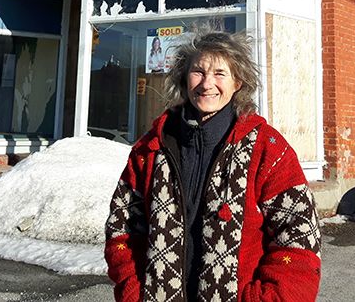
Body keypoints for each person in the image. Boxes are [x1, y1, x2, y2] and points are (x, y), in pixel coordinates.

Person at [106, 31, 321, 301]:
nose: (207, 84)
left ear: (238, 83)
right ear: (184, 78)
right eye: (198, 71)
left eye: (220, 73)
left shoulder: (267, 148)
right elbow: (121, 228)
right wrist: (134, 292)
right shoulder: (150, 149)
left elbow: (299, 238)